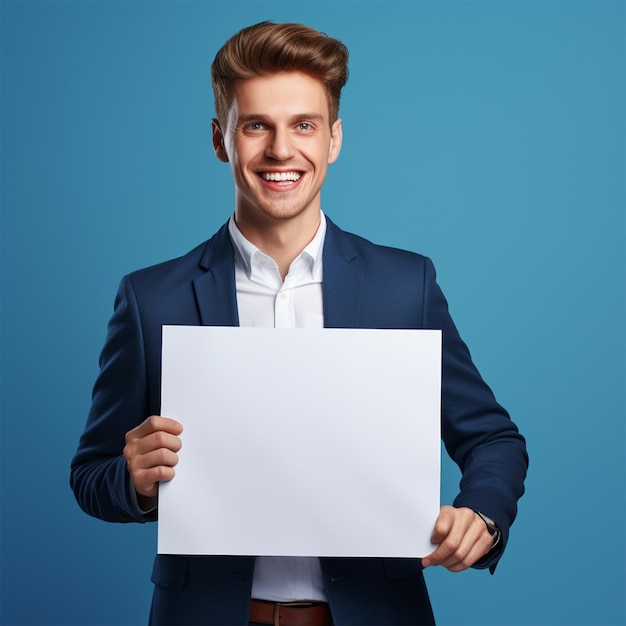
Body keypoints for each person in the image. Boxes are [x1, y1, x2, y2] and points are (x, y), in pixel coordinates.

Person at [71, 21, 528, 626]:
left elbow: (493, 438)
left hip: (375, 612)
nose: (281, 150)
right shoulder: (152, 299)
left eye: (303, 125)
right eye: (256, 125)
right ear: (220, 139)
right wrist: (133, 479)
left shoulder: (403, 287)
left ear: (334, 138)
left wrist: (483, 516)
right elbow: (90, 474)